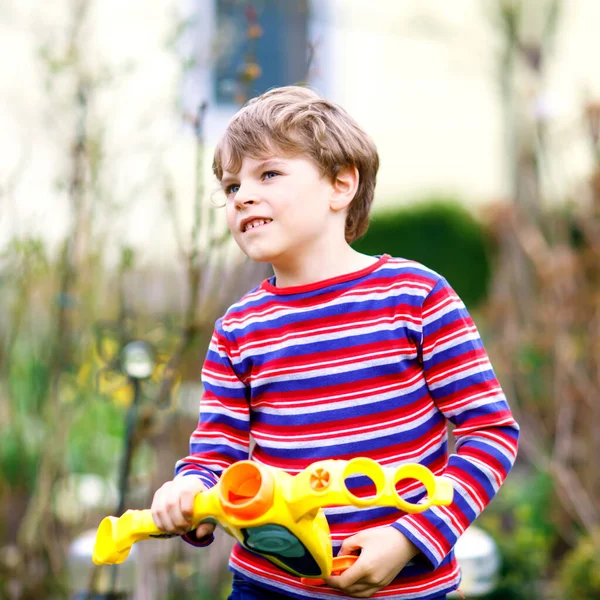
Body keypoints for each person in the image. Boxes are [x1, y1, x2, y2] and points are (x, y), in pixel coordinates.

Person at [150, 86, 520, 600]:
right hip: (269, 586)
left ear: (341, 183)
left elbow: (490, 433)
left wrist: (411, 537)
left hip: (406, 588)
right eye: (231, 187)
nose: (243, 196)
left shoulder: (415, 297)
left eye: (269, 174)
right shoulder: (239, 327)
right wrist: (189, 493)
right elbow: (215, 455)